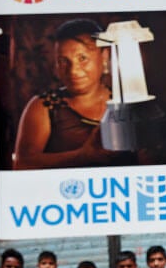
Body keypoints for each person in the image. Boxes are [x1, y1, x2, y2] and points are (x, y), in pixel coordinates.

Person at [13, 18, 122, 170]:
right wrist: (82, 156)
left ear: (104, 56)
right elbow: (22, 163)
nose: (73, 71)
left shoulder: (125, 102)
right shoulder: (44, 106)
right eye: (63, 61)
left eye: (82, 58)